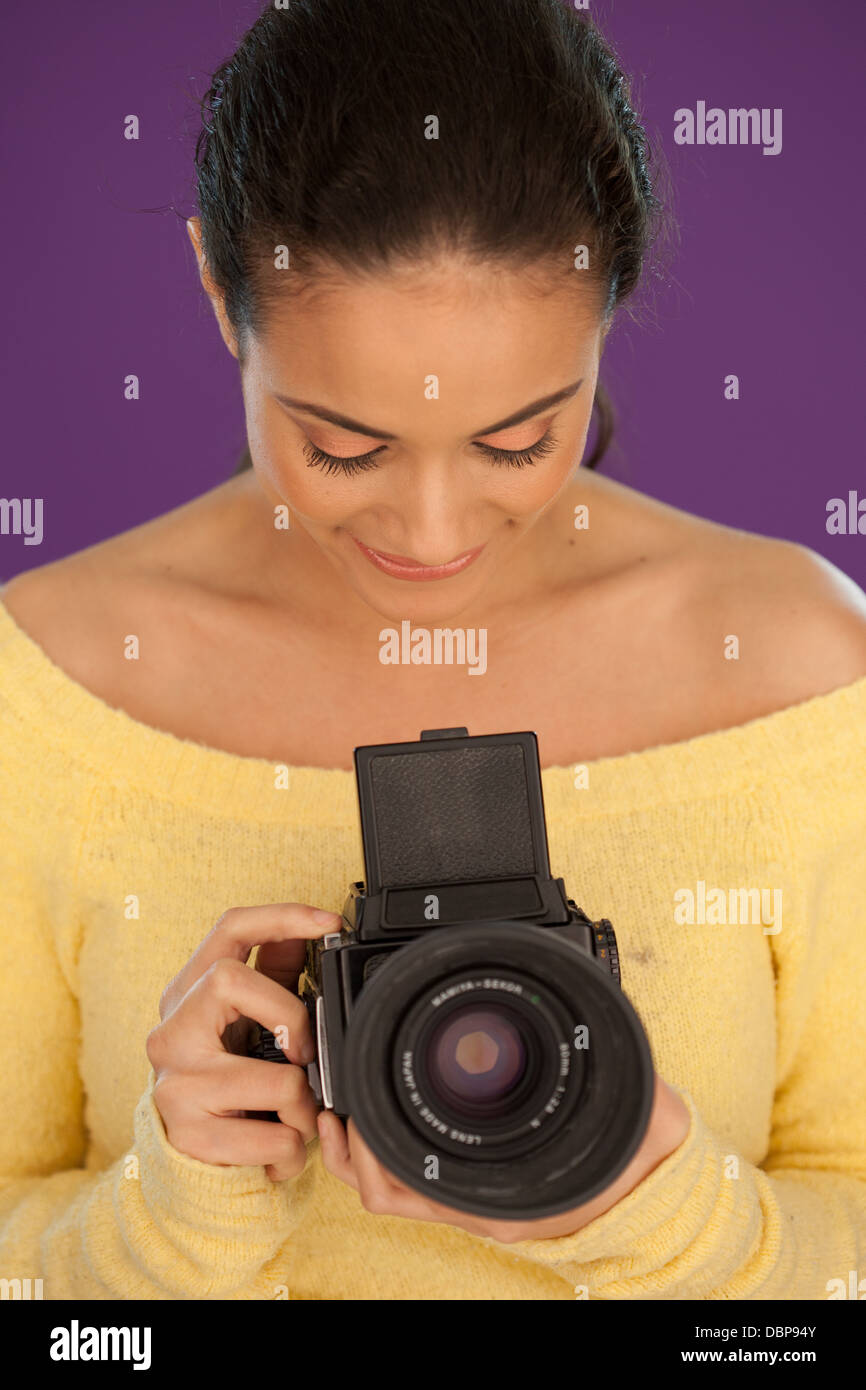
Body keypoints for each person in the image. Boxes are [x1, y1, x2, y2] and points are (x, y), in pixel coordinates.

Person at [1, 0, 864, 1301]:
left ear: (605, 317)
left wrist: (658, 1203)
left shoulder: (800, 667)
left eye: (519, 439)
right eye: (343, 446)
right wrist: (165, 1204)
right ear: (213, 289)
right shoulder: (47, 687)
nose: (433, 530)